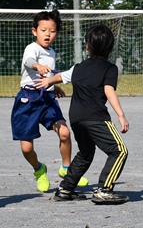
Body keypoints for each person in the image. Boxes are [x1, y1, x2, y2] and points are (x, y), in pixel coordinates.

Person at [36, 25, 131, 204]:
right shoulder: (110, 68)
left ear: (87, 45)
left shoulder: (78, 67)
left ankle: (65, 189)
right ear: (110, 47)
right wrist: (121, 114)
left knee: (86, 153)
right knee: (119, 151)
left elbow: (62, 76)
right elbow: (109, 90)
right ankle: (104, 189)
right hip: (96, 117)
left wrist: (48, 80)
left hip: (76, 119)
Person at [11, 10, 87, 193]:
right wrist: (37, 65)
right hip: (27, 101)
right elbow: (29, 61)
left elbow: (48, 77)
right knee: (26, 148)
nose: (47, 34)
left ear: (57, 34)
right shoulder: (32, 48)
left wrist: (54, 87)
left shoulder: (51, 52)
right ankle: (39, 169)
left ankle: (67, 170)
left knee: (65, 133)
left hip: (46, 99)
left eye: (52, 31)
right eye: (43, 30)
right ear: (34, 31)